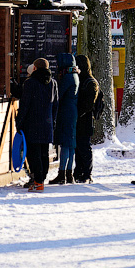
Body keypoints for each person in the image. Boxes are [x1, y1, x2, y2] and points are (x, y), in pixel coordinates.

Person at [16, 58, 59, 192]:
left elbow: (25, 104)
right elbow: (56, 104)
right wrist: (53, 121)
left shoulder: (30, 83)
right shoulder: (53, 83)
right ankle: (42, 179)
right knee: (44, 153)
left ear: (34, 68)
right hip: (47, 122)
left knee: (33, 154)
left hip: (32, 123)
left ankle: (37, 181)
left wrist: (19, 122)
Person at [49, 53, 79, 184]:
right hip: (72, 111)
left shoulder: (67, 77)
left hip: (66, 112)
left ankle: (62, 174)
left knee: (65, 143)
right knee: (71, 144)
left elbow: (58, 94)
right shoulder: (75, 75)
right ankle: (69, 173)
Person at [74, 54, 99, 183]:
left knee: (84, 147)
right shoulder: (85, 80)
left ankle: (86, 173)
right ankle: (79, 171)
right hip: (82, 119)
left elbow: (89, 104)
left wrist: (77, 113)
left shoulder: (89, 82)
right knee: (79, 147)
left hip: (85, 119)